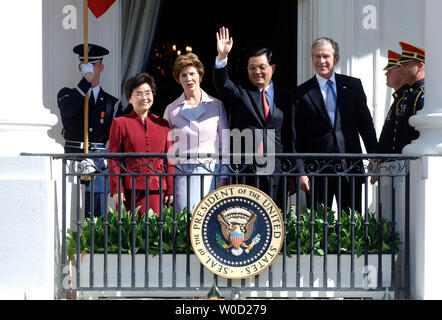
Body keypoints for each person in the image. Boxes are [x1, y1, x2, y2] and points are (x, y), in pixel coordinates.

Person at [292, 37, 378, 214]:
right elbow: (296, 136)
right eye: (317, 56)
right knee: (318, 226)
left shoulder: (353, 85)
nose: (321, 61)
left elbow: (365, 125)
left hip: (350, 167)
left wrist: (375, 157)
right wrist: (300, 172)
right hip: (316, 170)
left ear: (336, 59)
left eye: (326, 56)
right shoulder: (301, 92)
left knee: (352, 223)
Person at [212, 27, 290, 207]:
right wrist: (222, 57)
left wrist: (293, 169)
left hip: (276, 170)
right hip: (246, 169)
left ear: (273, 68)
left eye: (262, 67)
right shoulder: (241, 93)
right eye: (252, 68)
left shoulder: (285, 97)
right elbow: (222, 84)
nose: (257, 72)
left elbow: (290, 134)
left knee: (276, 219)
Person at [57, 43, 129, 218]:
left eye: (93, 64)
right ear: (80, 66)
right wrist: (85, 83)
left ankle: (93, 244)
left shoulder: (112, 102)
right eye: (85, 64)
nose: (89, 68)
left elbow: (119, 132)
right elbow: (69, 110)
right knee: (71, 208)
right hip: (74, 155)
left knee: (96, 212)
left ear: (101, 67)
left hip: (98, 159)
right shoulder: (67, 94)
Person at [163, 53, 230, 215]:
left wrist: (224, 176)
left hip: (210, 173)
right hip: (182, 176)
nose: (188, 78)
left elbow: (225, 145)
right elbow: (167, 149)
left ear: (200, 75)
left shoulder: (216, 105)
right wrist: (168, 181)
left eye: (192, 73)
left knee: (210, 222)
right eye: (183, 75)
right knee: (185, 223)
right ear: (178, 79)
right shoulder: (171, 110)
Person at [108, 73, 174, 217]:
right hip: (130, 188)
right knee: (131, 232)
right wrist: (116, 188)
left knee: (154, 231)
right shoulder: (120, 123)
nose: (144, 98)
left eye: (147, 93)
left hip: (157, 188)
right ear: (130, 99)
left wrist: (171, 189)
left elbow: (170, 158)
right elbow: (114, 159)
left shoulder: (163, 124)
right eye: (138, 94)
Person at [396, 41, 425, 150]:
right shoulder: (407, 94)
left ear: (420, 66)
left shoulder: (422, 93)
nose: (401, 69)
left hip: (415, 159)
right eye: (400, 65)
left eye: (406, 64)